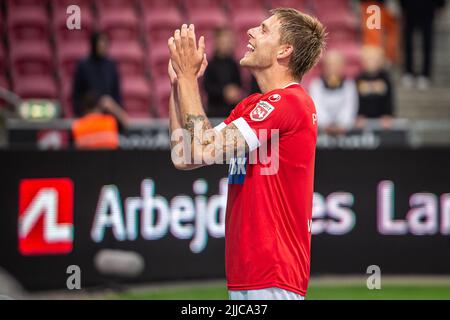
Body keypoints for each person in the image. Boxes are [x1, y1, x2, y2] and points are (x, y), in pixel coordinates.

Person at [167, 8, 326, 300]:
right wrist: (178, 85)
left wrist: (190, 80)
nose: (251, 32)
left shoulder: (290, 102)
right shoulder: (254, 105)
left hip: (274, 275)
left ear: (285, 50)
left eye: (264, 30)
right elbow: (185, 155)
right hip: (248, 274)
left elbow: (203, 147)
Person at [72, 32, 123, 117]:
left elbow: (116, 93)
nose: (103, 48)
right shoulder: (83, 66)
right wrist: (83, 111)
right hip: (88, 114)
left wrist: (114, 108)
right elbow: (77, 94)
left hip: (108, 114)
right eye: (100, 45)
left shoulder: (111, 65)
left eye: (105, 45)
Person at [309, 50, 358, 135]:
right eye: (331, 65)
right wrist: (325, 124)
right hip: (321, 129)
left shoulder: (349, 84)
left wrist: (343, 124)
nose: (334, 68)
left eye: (337, 65)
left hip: (344, 129)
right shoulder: (316, 84)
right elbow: (316, 106)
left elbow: (350, 106)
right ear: (325, 67)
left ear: (343, 66)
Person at [400, 0, 446, 90]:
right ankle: (408, 72)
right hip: (410, 8)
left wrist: (441, 5)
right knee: (408, 43)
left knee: (427, 43)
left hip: (428, 8)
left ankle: (425, 74)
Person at [203, 27, 243, 117]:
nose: (227, 45)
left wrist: (235, 92)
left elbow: (239, 83)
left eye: (229, 42)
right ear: (217, 43)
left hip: (232, 110)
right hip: (215, 110)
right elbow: (207, 86)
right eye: (224, 42)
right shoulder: (210, 64)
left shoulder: (233, 64)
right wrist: (224, 92)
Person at [356, 46, 394, 130]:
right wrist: (359, 114)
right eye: (368, 59)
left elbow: (389, 98)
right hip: (364, 117)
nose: (371, 63)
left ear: (380, 61)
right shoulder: (359, 78)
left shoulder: (385, 78)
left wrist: (388, 114)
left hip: (381, 116)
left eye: (374, 60)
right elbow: (357, 99)